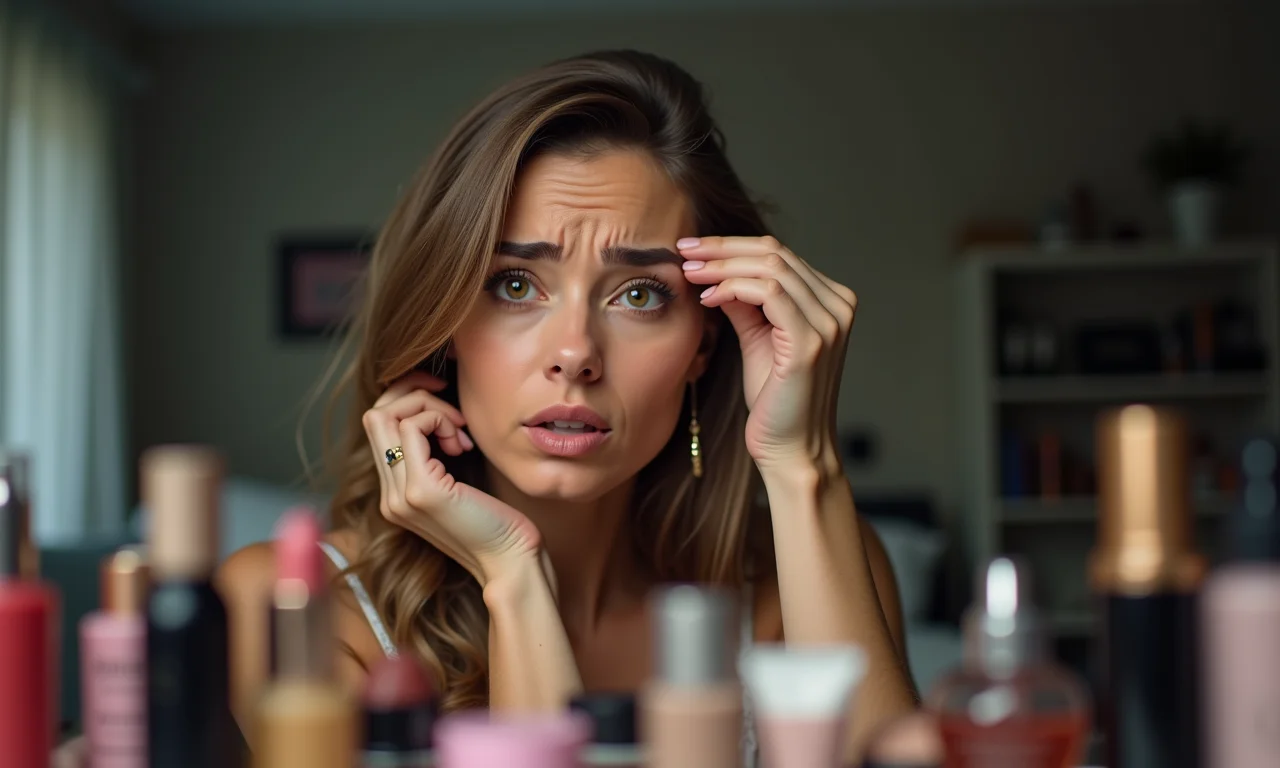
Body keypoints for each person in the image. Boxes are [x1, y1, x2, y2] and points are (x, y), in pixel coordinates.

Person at [217, 49, 919, 764]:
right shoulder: (289, 611)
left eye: (639, 294)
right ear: (445, 324)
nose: (576, 352)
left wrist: (804, 467)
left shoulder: (800, 576)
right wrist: (513, 579)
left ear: (705, 346)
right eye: (516, 285)